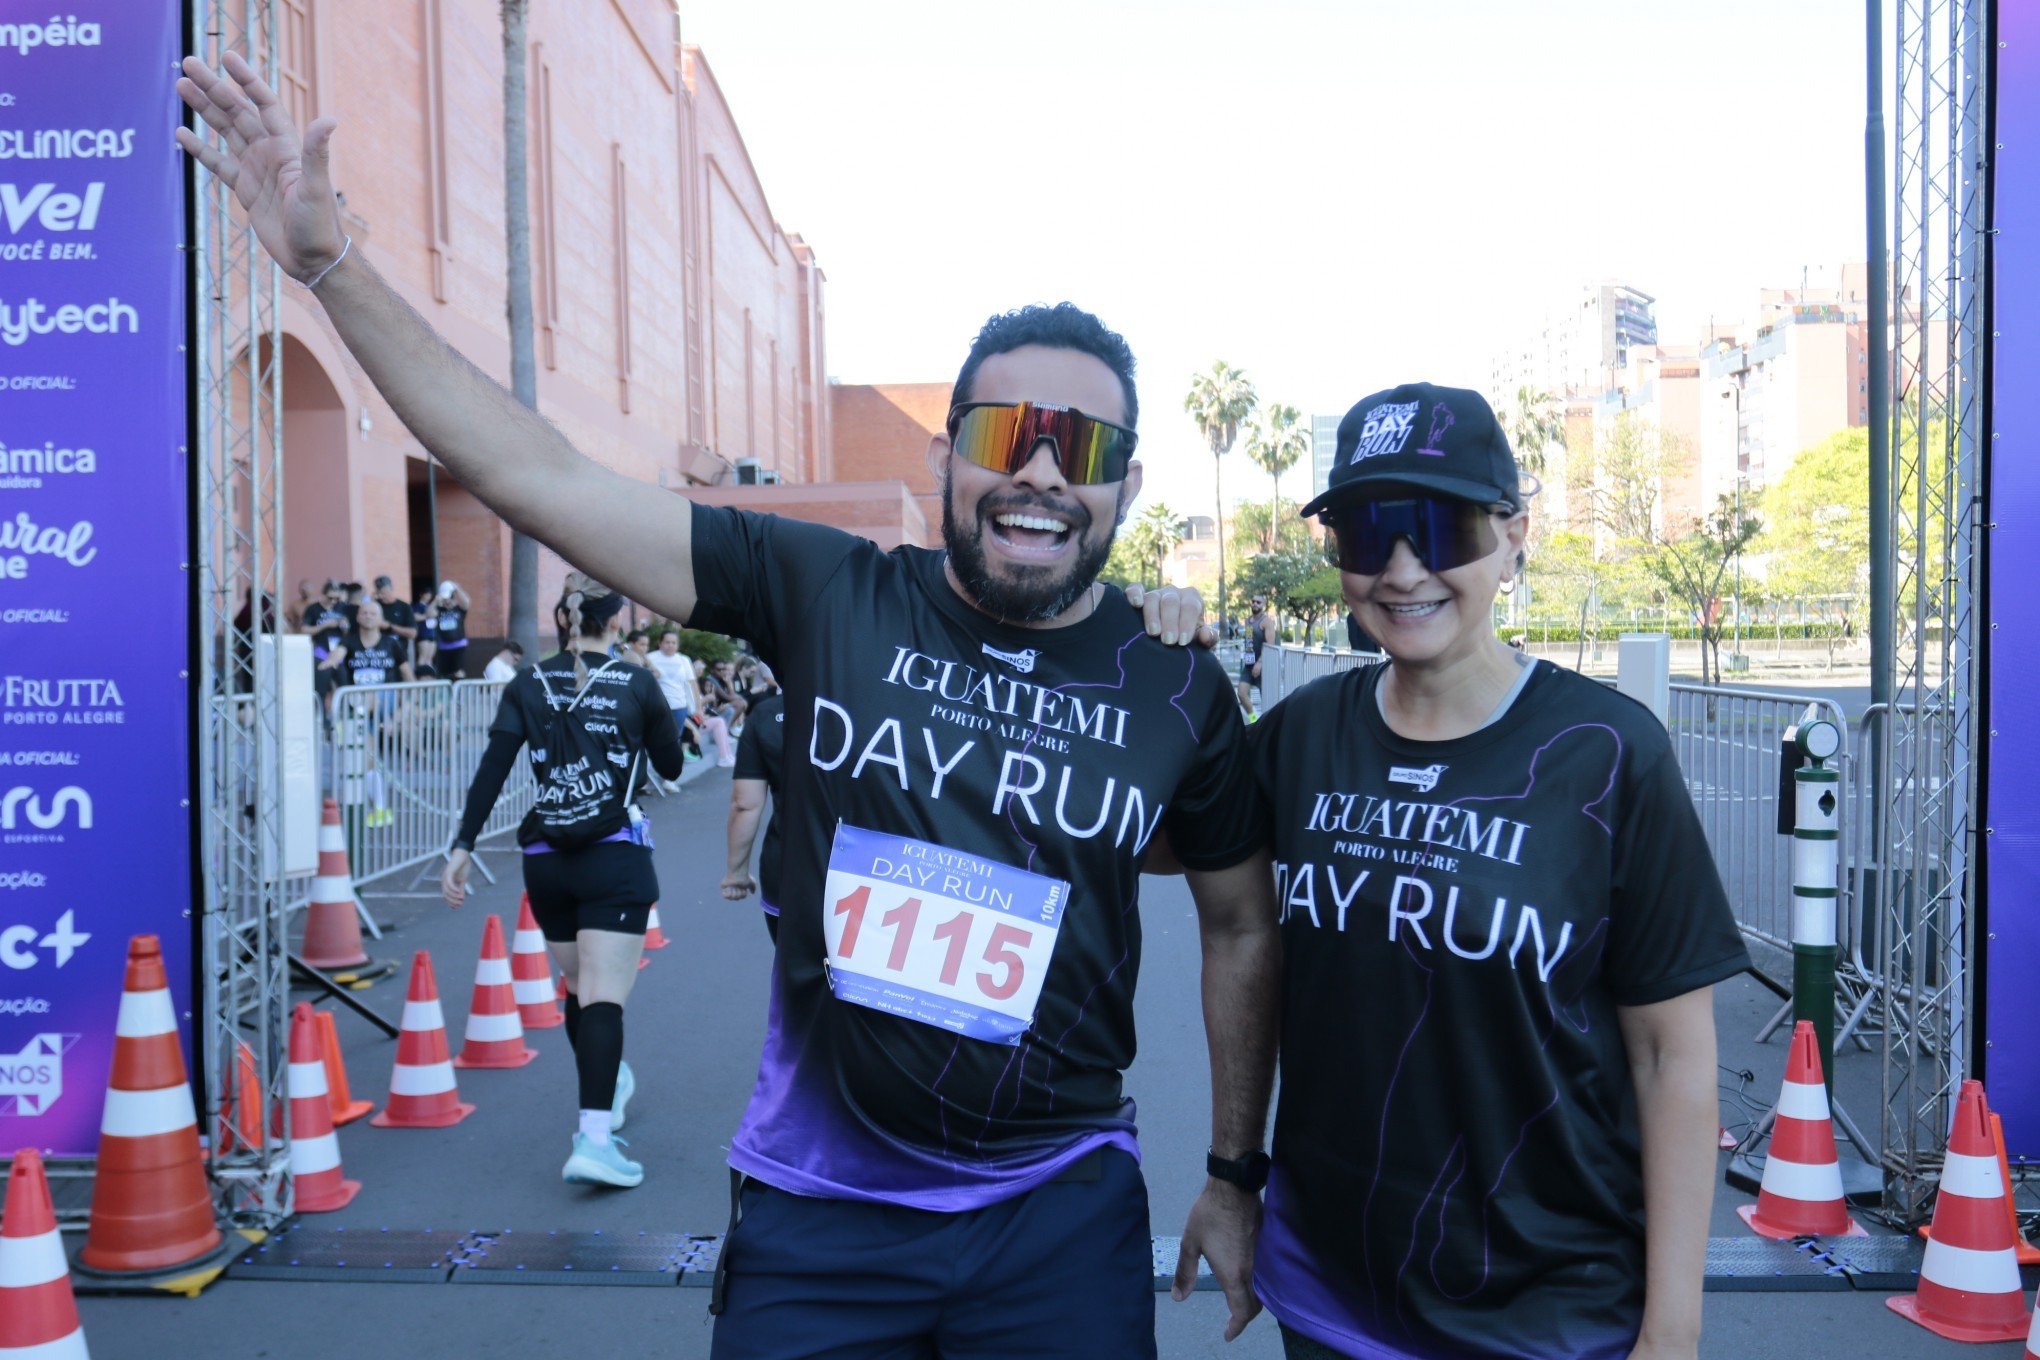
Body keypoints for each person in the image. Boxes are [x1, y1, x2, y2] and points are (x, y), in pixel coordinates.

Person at [176, 63, 1273, 1359]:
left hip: (1055, 1214)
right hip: (821, 1216)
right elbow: (532, 471)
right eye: (1004, 431)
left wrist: (1233, 1174)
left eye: (1079, 448)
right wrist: (333, 264)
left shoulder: (1172, 684)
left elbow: (1240, 925)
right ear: (946, 458)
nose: (1039, 467)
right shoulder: (829, 591)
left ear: (1126, 484)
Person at [1250, 384, 1749, 1360]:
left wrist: (1674, 1329)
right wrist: (1138, 635)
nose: (1402, 570)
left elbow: (1672, 1058)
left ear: (1516, 534)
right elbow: (1140, 826)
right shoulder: (1304, 736)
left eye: (1442, 527)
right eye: (1367, 534)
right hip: (1331, 1295)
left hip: (1546, 1310)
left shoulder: (1607, 751)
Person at [441, 574, 685, 1188]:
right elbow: (672, 762)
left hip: (546, 859)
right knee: (602, 995)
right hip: (613, 856)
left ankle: (608, 1087)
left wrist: (463, 845)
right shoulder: (636, 681)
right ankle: (596, 1140)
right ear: (617, 620)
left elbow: (494, 768)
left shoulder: (529, 681)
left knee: (579, 989)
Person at [720, 692, 784, 940]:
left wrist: (736, 872)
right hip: (878, 870)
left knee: (796, 973)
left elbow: (745, 804)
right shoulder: (873, 703)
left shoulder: (766, 715)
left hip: (790, 867)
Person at [646, 631, 700, 773]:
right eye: (667, 642)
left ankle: (668, 776)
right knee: (653, 738)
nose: (670, 645)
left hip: (679, 706)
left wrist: (698, 706)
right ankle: (648, 770)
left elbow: (692, 684)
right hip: (657, 706)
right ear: (660, 643)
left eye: (673, 643)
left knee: (674, 741)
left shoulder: (684, 660)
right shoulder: (650, 658)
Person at [1237, 593, 1278, 717]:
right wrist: (1248, 661)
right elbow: (1249, 642)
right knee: (1241, 693)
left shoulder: (1267, 622)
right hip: (1249, 665)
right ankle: (1254, 720)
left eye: (1258, 602)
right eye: (1253, 601)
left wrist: (1260, 663)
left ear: (1264, 606)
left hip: (1263, 666)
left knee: (1266, 700)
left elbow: (1269, 646)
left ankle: (1268, 727)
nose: (1255, 604)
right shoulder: (1247, 621)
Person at [371, 574, 419, 665]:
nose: (381, 596)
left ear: (391, 589)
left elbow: (412, 633)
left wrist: (390, 626)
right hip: (379, 655)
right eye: (379, 593)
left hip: (399, 654)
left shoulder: (404, 607)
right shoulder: (375, 606)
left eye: (384, 593)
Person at [429, 580, 473, 677]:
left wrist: (457, 589)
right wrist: (436, 601)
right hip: (443, 647)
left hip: (459, 645)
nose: (447, 602)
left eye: (449, 598)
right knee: (444, 672)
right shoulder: (439, 610)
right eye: (445, 599)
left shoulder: (458, 609)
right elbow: (429, 613)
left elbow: (466, 602)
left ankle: (459, 689)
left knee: (458, 671)